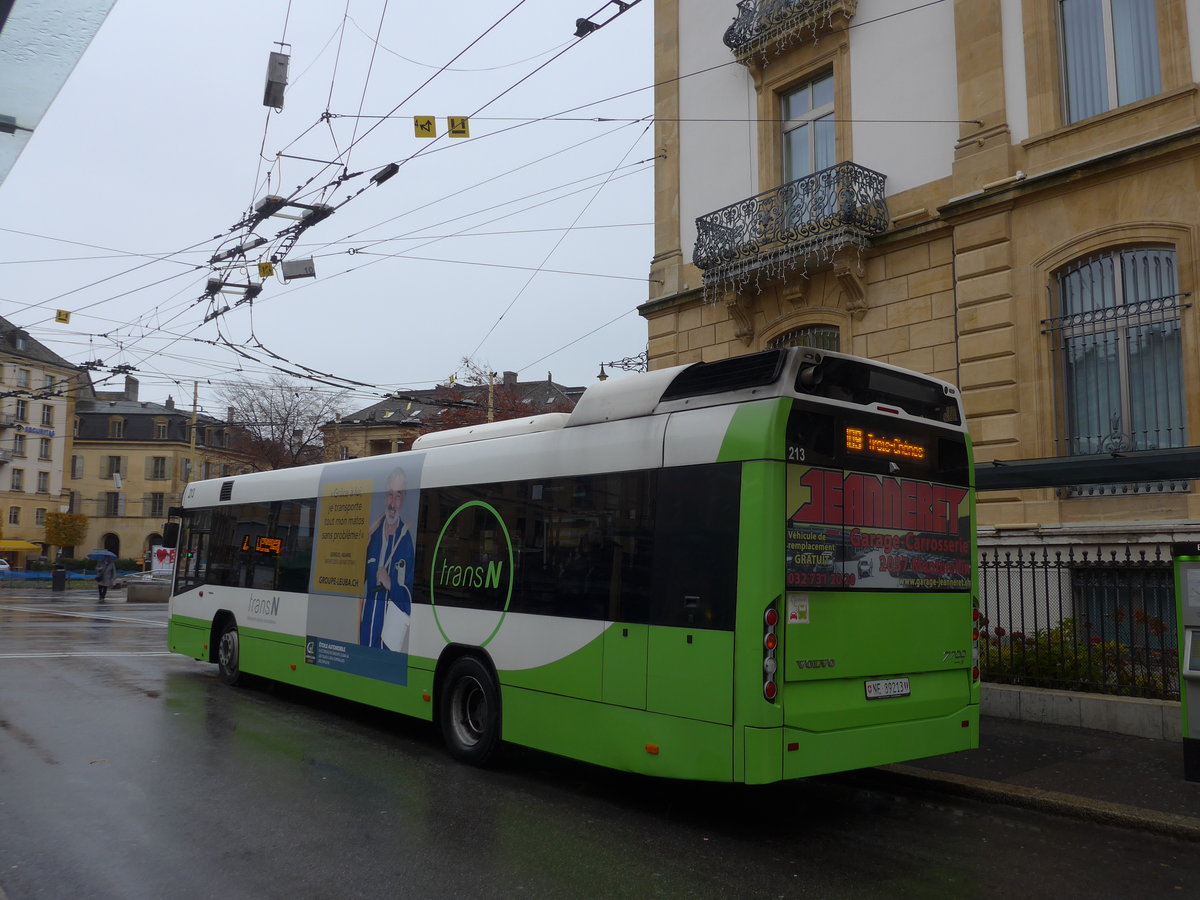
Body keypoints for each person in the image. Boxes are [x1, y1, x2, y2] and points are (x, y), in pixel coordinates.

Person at [360, 468, 414, 649]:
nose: (392, 502)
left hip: (388, 639)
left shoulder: (406, 542)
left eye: (398, 496)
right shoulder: (371, 535)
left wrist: (391, 584)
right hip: (366, 631)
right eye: (389, 495)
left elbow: (411, 596)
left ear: (403, 499)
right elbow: (354, 583)